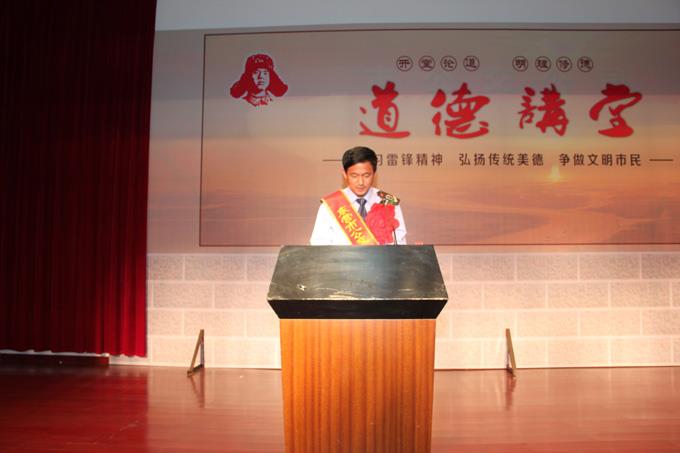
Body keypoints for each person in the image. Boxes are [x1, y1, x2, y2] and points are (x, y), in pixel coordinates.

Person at [310, 146, 407, 245]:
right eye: (354, 176)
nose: (361, 182)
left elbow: (399, 244)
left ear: (374, 174)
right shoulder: (331, 205)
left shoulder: (388, 203)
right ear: (345, 174)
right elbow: (319, 244)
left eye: (366, 175)